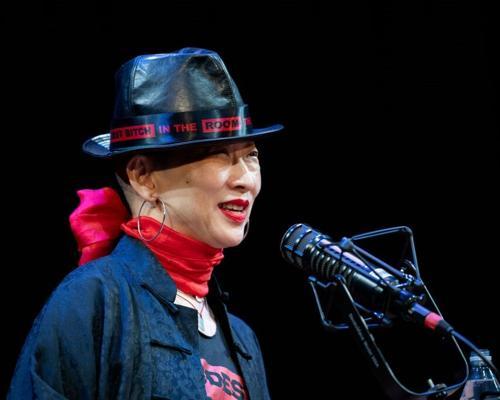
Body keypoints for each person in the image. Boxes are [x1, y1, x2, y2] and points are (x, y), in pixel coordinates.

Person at [8, 47, 283, 399]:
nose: (246, 179)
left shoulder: (243, 340)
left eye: (251, 155)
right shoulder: (93, 300)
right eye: (219, 155)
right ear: (143, 177)